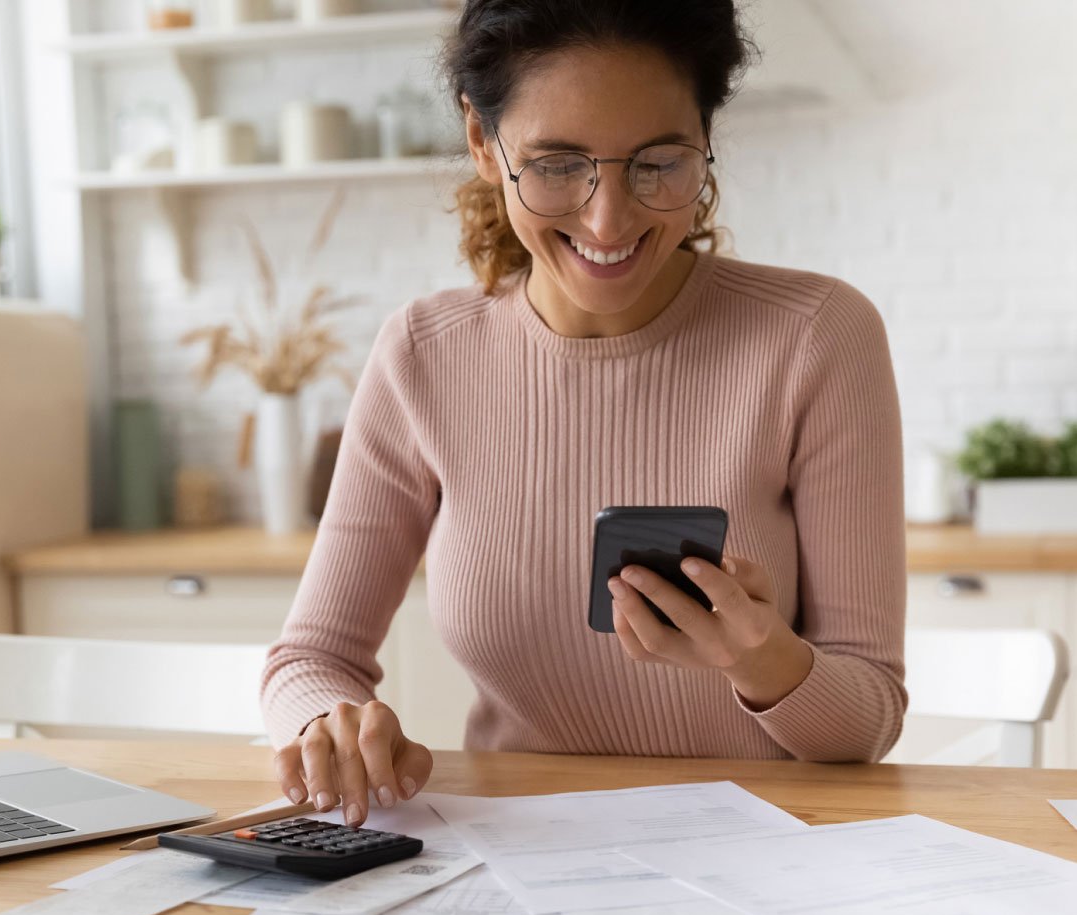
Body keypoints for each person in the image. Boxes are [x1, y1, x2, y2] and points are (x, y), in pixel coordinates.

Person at [263, 0, 907, 826]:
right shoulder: (424, 355)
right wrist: (328, 723)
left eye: (657, 162)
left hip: (765, 854)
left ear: (706, 138)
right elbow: (310, 659)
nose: (609, 219)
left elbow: (868, 720)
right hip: (518, 856)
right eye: (558, 163)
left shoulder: (815, 337)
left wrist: (765, 659)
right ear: (481, 142)